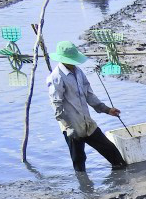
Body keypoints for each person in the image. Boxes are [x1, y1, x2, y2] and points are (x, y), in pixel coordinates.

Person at [45, 40, 126, 172]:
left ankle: (122, 174)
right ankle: (84, 189)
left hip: (87, 123)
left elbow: (89, 94)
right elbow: (56, 105)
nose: (73, 63)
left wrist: (106, 109)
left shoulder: (78, 72)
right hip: (72, 126)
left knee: (111, 152)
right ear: (63, 59)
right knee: (79, 160)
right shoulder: (56, 78)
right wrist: (68, 126)